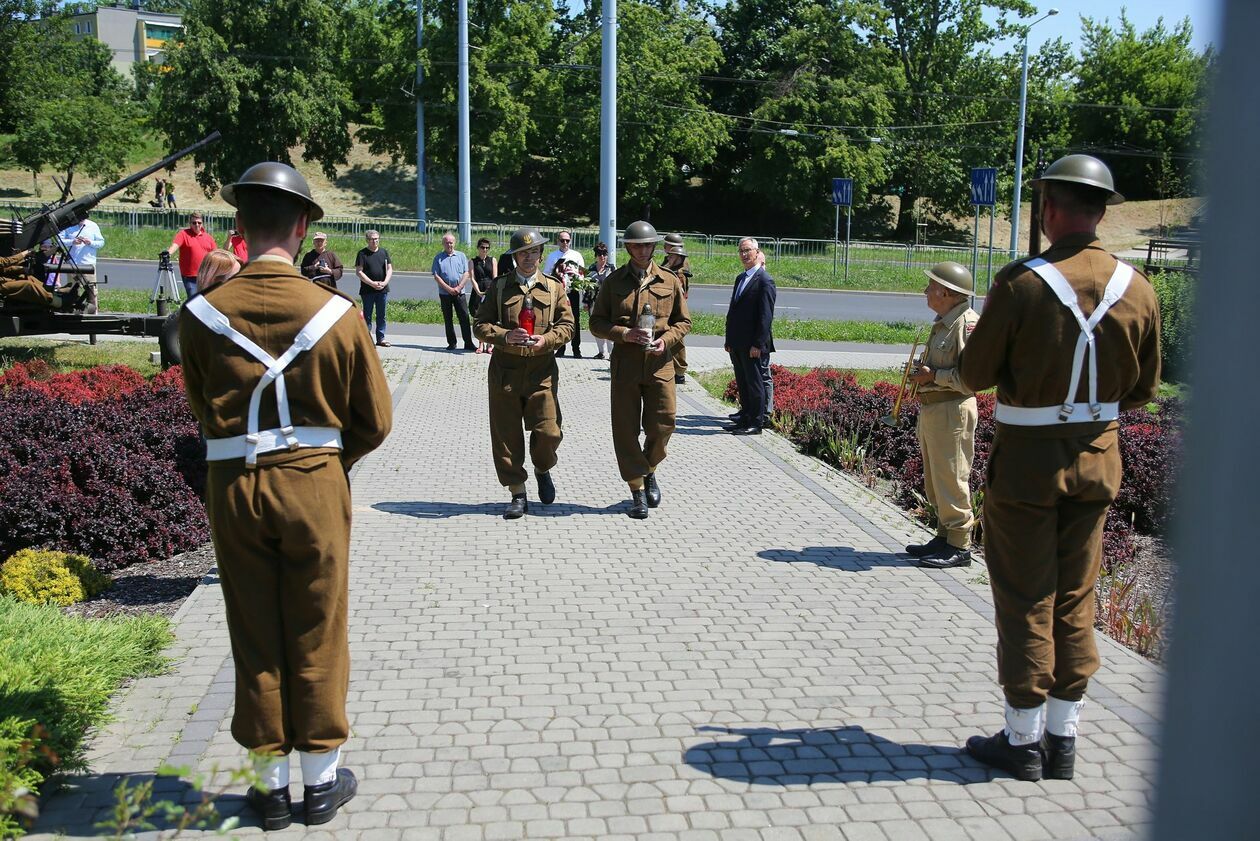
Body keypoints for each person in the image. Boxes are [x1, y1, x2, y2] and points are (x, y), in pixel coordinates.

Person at [178, 161, 392, 830]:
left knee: (253, 627)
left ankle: (268, 789)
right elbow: (376, 420)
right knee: (317, 625)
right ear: (303, 228)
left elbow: (199, 409)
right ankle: (321, 783)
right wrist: (324, 461)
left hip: (234, 484)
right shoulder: (339, 313)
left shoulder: (200, 314)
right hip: (315, 485)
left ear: (239, 226)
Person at [959, 154, 1161, 782]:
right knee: (1078, 596)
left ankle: (1021, 742)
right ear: (1102, 211)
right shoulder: (1140, 288)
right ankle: (1064, 738)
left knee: (1025, 599)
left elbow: (973, 374)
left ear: (1048, 209)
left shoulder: (1022, 283)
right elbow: (1144, 389)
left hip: (1027, 470)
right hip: (1098, 464)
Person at [589, 220, 691, 519]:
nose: (642, 250)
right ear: (628, 248)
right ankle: (636, 489)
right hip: (627, 366)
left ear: (654, 247)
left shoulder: (669, 280)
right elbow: (596, 323)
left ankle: (649, 469)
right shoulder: (614, 281)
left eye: (647, 245)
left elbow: (683, 322)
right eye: (636, 245)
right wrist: (624, 334)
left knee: (665, 423)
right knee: (625, 429)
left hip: (661, 364)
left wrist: (666, 340)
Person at [473, 227, 574, 518]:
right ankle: (517, 491)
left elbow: (568, 326)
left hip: (541, 372)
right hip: (505, 371)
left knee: (549, 432)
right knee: (506, 436)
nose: (529, 258)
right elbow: (480, 324)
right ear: (515, 257)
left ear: (541, 255)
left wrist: (547, 340)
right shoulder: (500, 286)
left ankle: (543, 467)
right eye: (523, 253)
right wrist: (505, 336)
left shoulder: (554, 288)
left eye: (533, 252)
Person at [904, 261, 980, 569]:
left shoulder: (967, 324)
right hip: (935, 408)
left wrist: (933, 375)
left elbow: (972, 378)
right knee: (936, 480)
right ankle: (943, 535)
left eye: (931, 286)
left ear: (947, 292)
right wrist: (922, 376)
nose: (926, 291)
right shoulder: (943, 322)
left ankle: (960, 545)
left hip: (953, 409)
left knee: (952, 477)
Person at [723, 238, 776, 435]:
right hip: (737, 341)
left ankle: (756, 422)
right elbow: (733, 311)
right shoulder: (741, 278)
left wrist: (758, 344)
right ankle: (744, 417)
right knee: (742, 381)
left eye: (747, 250)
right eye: (741, 251)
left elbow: (765, 316)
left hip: (752, 344)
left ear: (756, 252)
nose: (744, 254)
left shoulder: (765, 280)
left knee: (755, 383)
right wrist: (729, 339)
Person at [540, 232, 585, 357]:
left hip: (573, 291)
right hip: (558, 292)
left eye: (567, 240)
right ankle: (560, 347)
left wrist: (574, 277)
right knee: (558, 318)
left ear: (570, 241)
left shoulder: (576, 255)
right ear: (558, 241)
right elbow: (547, 273)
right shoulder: (552, 256)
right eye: (562, 240)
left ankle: (576, 349)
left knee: (575, 319)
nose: (565, 243)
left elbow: (582, 273)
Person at [431, 232, 475, 351]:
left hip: (459, 293)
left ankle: (468, 343)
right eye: (446, 242)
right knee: (448, 319)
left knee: (464, 318)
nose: (449, 245)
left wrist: (459, 287)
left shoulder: (461, 256)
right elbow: (436, 276)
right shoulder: (438, 258)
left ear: (454, 243)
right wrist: (449, 289)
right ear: (443, 244)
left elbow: (466, 273)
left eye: (451, 242)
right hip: (445, 294)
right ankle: (452, 343)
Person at [57, 211, 104, 314]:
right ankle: (72, 311)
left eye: (82, 219)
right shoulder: (68, 226)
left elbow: (101, 242)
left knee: (92, 290)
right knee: (72, 289)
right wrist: (72, 241)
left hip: (88, 264)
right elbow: (59, 240)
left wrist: (90, 242)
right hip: (72, 264)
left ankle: (93, 312)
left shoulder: (93, 225)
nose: (80, 221)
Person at [661, 233, 692, 384]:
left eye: (666, 245)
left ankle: (679, 372)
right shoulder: (670, 262)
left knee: (677, 340)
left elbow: (679, 292)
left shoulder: (680, 270)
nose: (664, 247)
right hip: (667, 307)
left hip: (675, 308)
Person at [165, 213, 217, 298]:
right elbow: (175, 245)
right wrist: (168, 253)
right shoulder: (183, 234)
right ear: (190, 223)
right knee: (194, 300)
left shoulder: (209, 238)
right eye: (194, 223)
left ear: (202, 223)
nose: (197, 225)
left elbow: (216, 254)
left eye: (199, 222)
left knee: (206, 300)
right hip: (190, 276)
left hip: (205, 276)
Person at [355, 230, 392, 347]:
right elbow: (359, 272)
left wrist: (385, 282)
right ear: (367, 240)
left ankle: (381, 338)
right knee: (367, 315)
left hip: (382, 289)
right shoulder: (362, 254)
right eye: (372, 239)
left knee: (382, 315)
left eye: (377, 239)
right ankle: (367, 338)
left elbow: (390, 269)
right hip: (368, 290)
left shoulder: (383, 252)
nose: (375, 241)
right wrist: (372, 283)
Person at [583, 242, 615, 360]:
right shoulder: (590, 269)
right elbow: (586, 286)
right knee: (596, 325)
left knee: (610, 326)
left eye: (604, 254)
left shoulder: (611, 268)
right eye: (599, 254)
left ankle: (612, 353)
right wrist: (585, 302)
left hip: (608, 303)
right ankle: (601, 352)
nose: (602, 256)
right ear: (595, 255)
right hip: (593, 301)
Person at [470, 237, 495, 354]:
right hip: (478, 291)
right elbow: (472, 278)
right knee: (478, 317)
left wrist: (491, 291)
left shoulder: (493, 260)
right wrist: (479, 292)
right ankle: (481, 343)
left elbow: (495, 277)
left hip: (490, 290)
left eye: (487, 248)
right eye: (482, 247)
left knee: (490, 317)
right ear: (478, 248)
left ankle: (490, 344)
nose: (485, 250)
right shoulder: (472, 261)